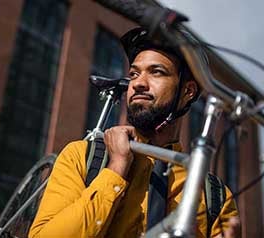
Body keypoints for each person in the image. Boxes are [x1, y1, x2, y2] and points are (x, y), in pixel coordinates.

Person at [28, 27, 240, 238]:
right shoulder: (82, 156)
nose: (138, 83)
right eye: (134, 73)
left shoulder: (215, 198)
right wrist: (116, 169)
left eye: (156, 72)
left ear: (188, 91)